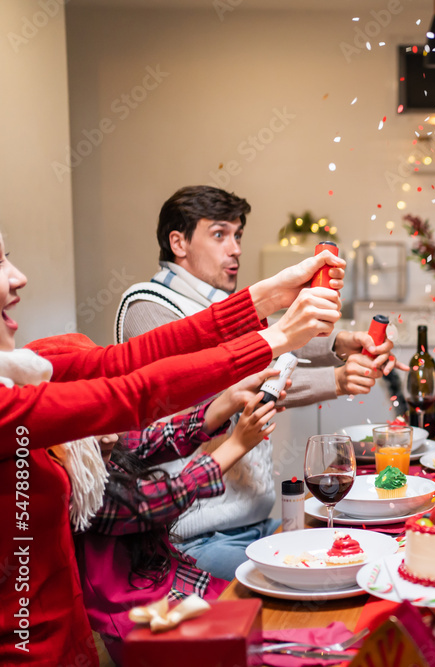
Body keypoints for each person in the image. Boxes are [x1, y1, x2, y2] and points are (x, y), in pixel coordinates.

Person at [0, 231, 343, 666]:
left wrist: (267, 296)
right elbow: (133, 394)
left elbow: (128, 363)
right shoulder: (13, 400)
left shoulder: (21, 372)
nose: (19, 277)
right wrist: (272, 341)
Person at [114, 185, 398, 579]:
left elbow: (265, 343)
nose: (235, 249)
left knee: (356, 556)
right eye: (219, 235)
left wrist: (339, 343)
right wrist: (335, 378)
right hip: (196, 537)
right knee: (327, 579)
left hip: (252, 522)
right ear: (178, 242)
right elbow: (231, 383)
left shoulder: (212, 304)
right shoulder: (148, 304)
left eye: (238, 235)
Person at [77, 371, 282, 664]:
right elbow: (159, 500)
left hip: (173, 584)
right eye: (91, 425)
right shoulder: (79, 490)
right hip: (143, 623)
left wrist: (229, 399)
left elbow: (161, 437)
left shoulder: (106, 448)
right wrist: (237, 444)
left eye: (109, 418)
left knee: (266, 625)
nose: (110, 436)